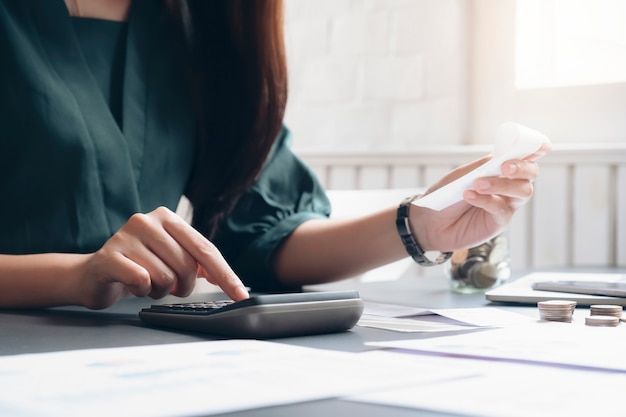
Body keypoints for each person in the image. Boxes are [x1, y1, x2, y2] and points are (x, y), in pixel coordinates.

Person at [0, 0, 549, 310]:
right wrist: (75, 277)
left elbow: (267, 234)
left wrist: (420, 224)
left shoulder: (196, 23)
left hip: (141, 359)